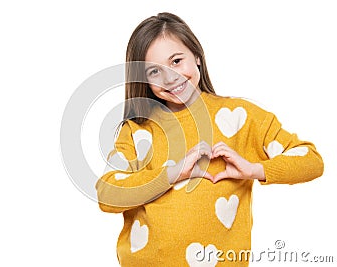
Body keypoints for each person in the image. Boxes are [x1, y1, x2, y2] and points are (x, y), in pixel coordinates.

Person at [95, 12, 324, 266]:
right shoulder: (137, 130)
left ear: (197, 56)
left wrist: (254, 169)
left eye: (176, 61)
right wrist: (174, 173)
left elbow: (311, 161)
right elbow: (107, 194)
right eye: (154, 71)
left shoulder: (240, 117)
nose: (170, 77)